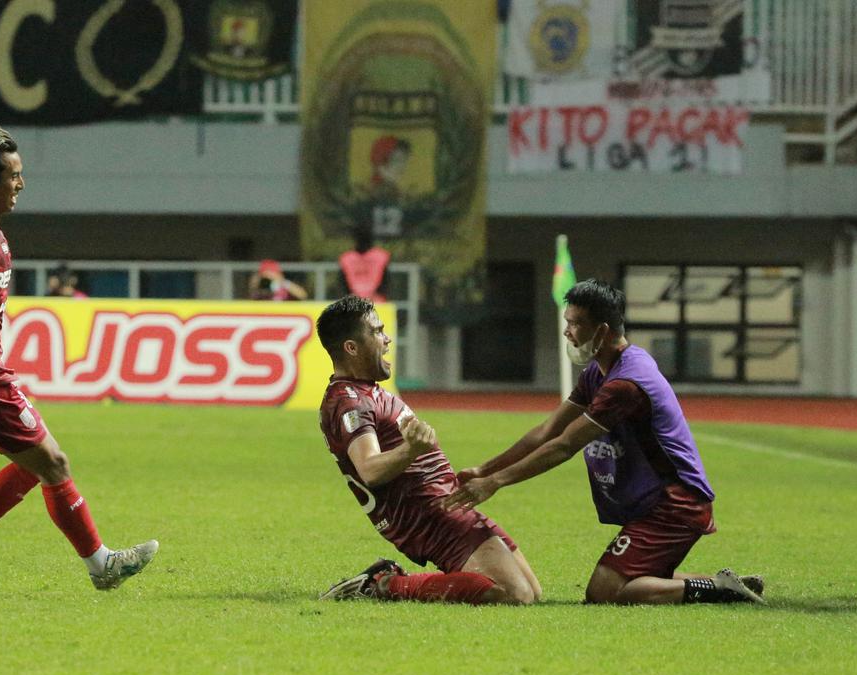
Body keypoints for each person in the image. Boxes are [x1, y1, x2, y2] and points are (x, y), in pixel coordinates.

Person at [0, 127, 157, 590]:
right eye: (13, 175)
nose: (21, 183)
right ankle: (102, 566)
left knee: (33, 463)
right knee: (53, 463)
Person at [445, 279, 764, 605]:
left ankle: (721, 591)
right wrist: (484, 469)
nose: (567, 331)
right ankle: (721, 583)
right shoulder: (598, 373)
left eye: (575, 323)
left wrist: (496, 482)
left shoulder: (625, 384)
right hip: (656, 500)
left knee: (604, 591)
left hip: (675, 504)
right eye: (567, 322)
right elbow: (548, 430)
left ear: (602, 331)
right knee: (628, 581)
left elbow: (564, 446)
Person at [315, 295, 541, 604]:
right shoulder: (349, 401)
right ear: (351, 348)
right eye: (378, 331)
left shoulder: (368, 391)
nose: (387, 338)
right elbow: (369, 469)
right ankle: (383, 584)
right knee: (514, 594)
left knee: (532, 591)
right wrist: (411, 449)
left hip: (445, 505)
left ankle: (389, 582)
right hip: (429, 516)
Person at [338, 226, 390, 303]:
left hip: (371, 301)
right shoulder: (381, 256)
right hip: (372, 301)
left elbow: (343, 283)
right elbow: (386, 282)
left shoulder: (347, 258)